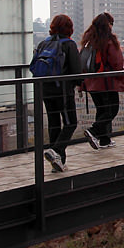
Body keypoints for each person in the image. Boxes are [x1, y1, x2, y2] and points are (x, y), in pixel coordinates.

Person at [34, 14, 81, 172]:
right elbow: (76, 71)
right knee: (70, 122)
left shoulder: (43, 43)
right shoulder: (69, 44)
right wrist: (78, 85)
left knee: (54, 124)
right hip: (62, 90)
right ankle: (56, 152)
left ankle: (58, 163)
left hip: (44, 90)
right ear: (69, 28)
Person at [80, 12, 124, 149]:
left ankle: (104, 140)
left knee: (101, 111)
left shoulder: (89, 41)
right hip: (106, 82)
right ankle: (94, 131)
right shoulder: (109, 41)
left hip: (91, 82)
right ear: (108, 25)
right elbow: (117, 63)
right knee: (112, 110)